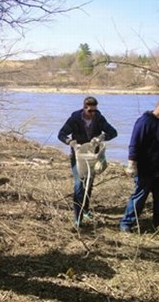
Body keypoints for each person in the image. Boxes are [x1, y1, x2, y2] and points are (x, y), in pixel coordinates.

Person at [58, 96, 117, 227]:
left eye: (95, 110)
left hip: (92, 156)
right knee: (79, 184)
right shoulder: (74, 119)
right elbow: (61, 134)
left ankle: (85, 210)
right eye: (90, 111)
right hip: (78, 156)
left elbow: (114, 132)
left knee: (88, 183)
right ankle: (77, 218)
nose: (93, 114)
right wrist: (70, 142)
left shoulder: (99, 118)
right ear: (84, 108)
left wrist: (102, 136)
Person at [119, 97, 159, 233]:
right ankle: (127, 223)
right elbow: (134, 142)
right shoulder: (144, 122)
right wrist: (131, 163)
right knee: (139, 197)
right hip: (146, 169)